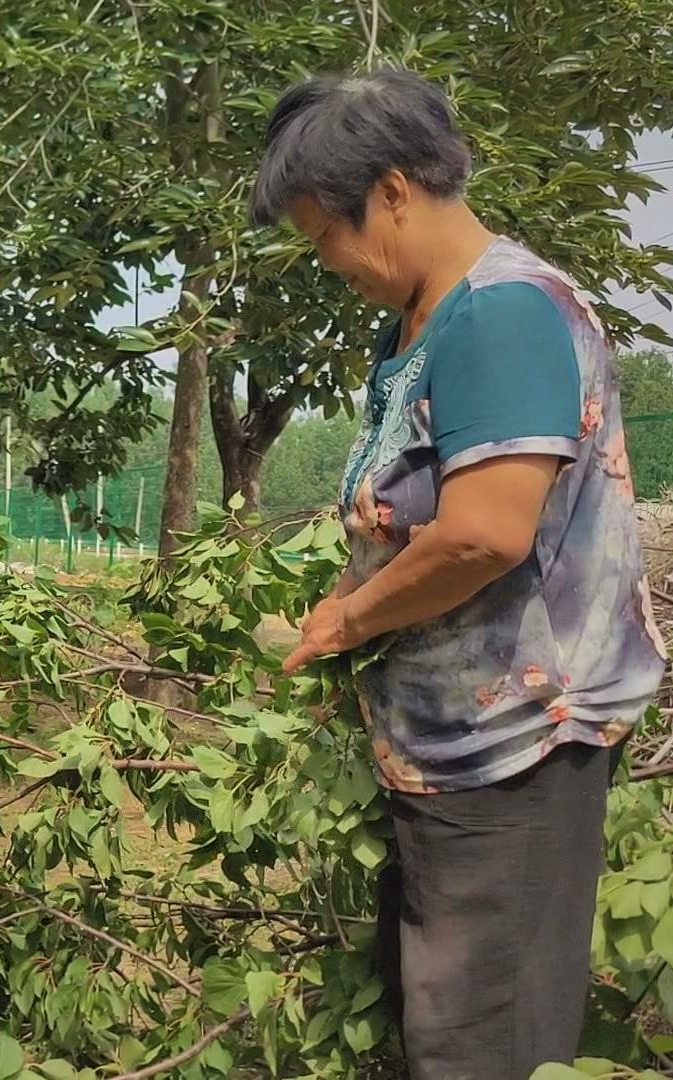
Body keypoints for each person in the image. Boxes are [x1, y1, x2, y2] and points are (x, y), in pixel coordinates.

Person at [251, 70, 667, 1079]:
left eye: (325, 237)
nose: (327, 263)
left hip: (512, 754)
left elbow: (484, 535)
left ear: (392, 191)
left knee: (485, 1047)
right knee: (442, 1031)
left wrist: (347, 622)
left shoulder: (505, 314)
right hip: (450, 755)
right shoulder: (419, 324)